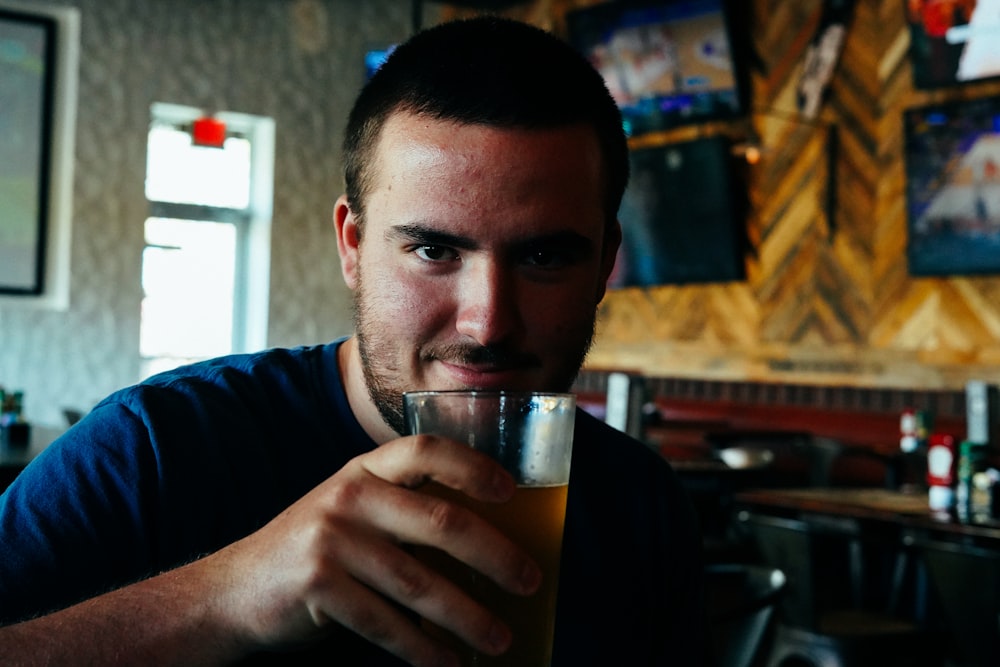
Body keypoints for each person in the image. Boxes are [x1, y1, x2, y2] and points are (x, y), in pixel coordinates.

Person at [0, 16, 704, 666]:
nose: (487, 323)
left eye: (545, 257)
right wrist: (228, 593)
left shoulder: (641, 506)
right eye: (433, 250)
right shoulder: (151, 451)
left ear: (605, 261)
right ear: (353, 244)